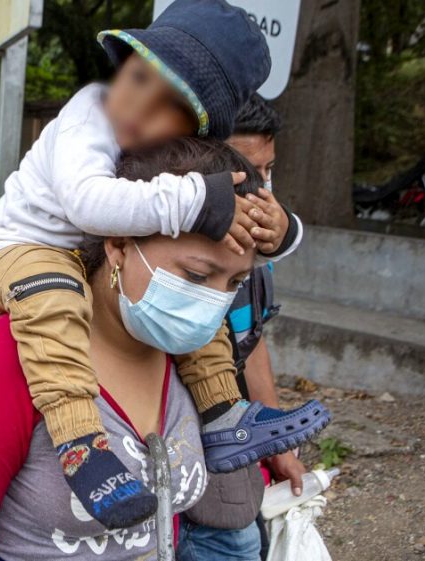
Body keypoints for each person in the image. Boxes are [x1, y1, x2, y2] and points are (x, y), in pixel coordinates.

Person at [0, 0, 329, 531]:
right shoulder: (92, 110)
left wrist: (281, 230)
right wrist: (196, 202)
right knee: (55, 296)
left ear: (196, 128)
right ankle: (80, 445)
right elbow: (89, 202)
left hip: (88, 257)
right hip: (19, 250)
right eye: (138, 77)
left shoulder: (171, 157)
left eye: (170, 104)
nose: (139, 106)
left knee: (197, 296)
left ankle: (223, 412)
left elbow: (228, 220)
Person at [0, 137, 279, 560]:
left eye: (234, 283)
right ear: (119, 245)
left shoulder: (185, 354)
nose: (213, 304)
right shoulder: (2, 363)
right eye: (197, 276)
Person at [178, 95, 308, 561]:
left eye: (268, 171)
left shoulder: (254, 256)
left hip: (235, 439)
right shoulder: (169, 250)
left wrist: (274, 443)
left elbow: (250, 341)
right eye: (245, 173)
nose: (261, 193)